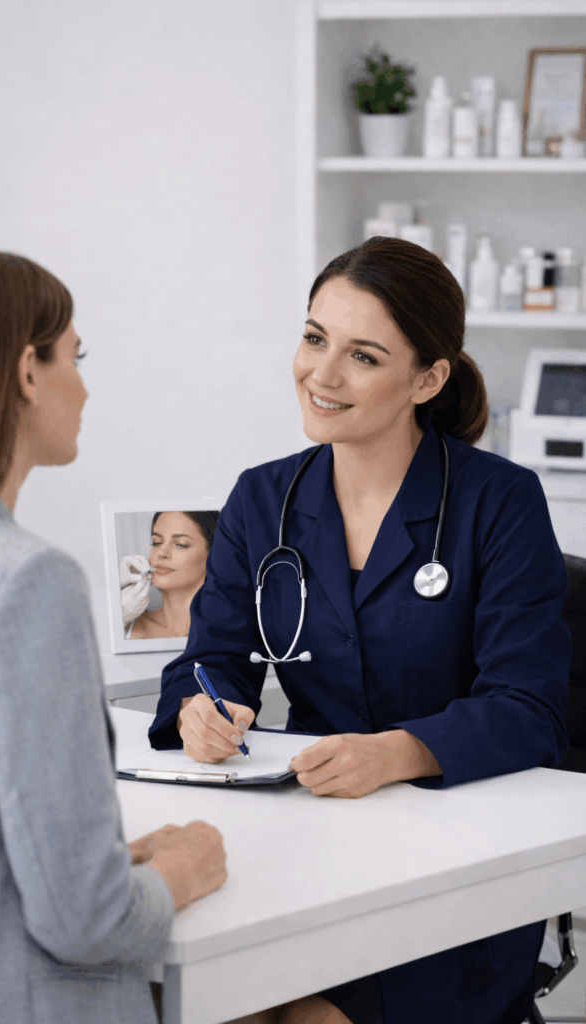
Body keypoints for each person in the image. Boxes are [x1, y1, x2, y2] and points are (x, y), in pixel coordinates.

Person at [149, 237, 571, 1024]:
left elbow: (531, 706)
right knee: (186, 990)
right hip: (310, 841)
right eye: (314, 338)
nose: (321, 374)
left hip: (458, 863)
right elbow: (211, 659)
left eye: (363, 356)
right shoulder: (262, 497)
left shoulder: (497, 502)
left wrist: (397, 752)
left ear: (428, 378)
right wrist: (202, 710)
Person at [0, 249, 226, 1024]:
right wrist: (180, 871)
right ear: (27, 370)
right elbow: (86, 923)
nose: (83, 385)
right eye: (74, 357)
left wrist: (105, 865)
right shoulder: (25, 583)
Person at [121, 510, 219, 638]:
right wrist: (117, 617)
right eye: (156, 542)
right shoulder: (125, 625)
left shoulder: (230, 632)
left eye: (180, 544)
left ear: (213, 557)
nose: (161, 552)